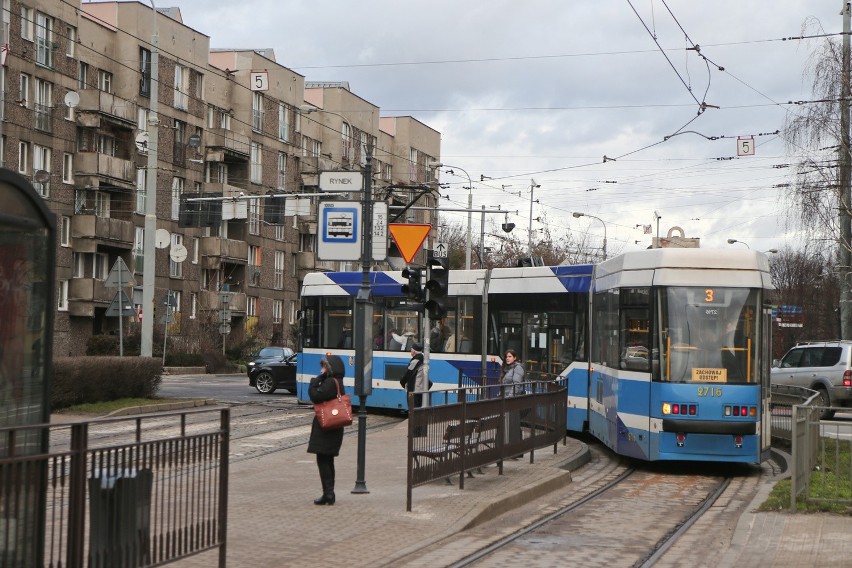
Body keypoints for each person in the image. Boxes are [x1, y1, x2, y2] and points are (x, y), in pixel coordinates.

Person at [307, 354, 346, 505]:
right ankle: (329, 492)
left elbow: (314, 395)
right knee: (328, 459)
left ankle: (328, 493)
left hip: (327, 427)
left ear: (329, 368)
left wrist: (317, 378)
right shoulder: (337, 382)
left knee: (323, 459)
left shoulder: (330, 382)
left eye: (324, 366)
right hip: (334, 426)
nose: (321, 369)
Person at [500, 349, 525, 453]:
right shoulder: (508, 369)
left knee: (512, 424)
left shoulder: (517, 368)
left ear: (515, 358)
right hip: (507, 399)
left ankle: (514, 449)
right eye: (506, 357)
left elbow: (516, 385)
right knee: (510, 424)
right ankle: (513, 448)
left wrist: (510, 399)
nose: (507, 358)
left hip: (511, 401)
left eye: (510, 356)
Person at [400, 342, 428, 408]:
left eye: (411, 350)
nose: (410, 351)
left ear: (414, 351)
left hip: (414, 390)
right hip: (420, 389)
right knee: (417, 409)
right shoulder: (423, 359)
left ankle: (414, 418)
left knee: (413, 409)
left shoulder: (415, 361)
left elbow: (408, 374)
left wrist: (402, 382)